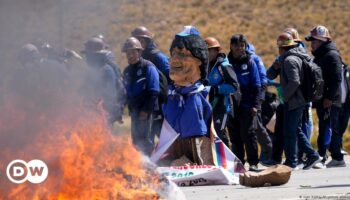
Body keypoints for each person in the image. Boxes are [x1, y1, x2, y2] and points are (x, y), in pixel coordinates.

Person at [161, 26, 213, 166]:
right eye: (173, 55)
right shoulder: (172, 95)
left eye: (182, 55)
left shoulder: (202, 94)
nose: (174, 60)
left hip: (199, 150)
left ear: (199, 60)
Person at [268, 32, 321, 170]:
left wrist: (285, 96)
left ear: (281, 47)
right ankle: (311, 155)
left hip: (294, 101)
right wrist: (275, 66)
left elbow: (294, 81)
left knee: (290, 132)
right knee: (295, 130)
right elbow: (269, 75)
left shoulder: (290, 60)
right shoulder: (290, 58)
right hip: (298, 100)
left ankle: (292, 161)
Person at [305, 25, 345, 168]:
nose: (312, 44)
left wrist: (329, 97)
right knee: (325, 127)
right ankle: (331, 156)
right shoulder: (321, 56)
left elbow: (336, 79)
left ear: (322, 41)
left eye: (314, 41)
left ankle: (328, 157)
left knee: (329, 128)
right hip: (324, 99)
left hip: (331, 100)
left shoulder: (332, 55)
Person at [228, 34, 261, 171]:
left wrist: (255, 105)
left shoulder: (250, 62)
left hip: (247, 105)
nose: (239, 48)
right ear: (231, 46)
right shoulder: (226, 62)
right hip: (231, 105)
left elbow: (257, 85)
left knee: (248, 134)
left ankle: (253, 163)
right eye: (236, 45)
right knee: (235, 136)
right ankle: (239, 163)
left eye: (242, 45)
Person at [131, 26, 170, 141]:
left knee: (163, 139)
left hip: (159, 106)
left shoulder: (157, 57)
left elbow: (171, 78)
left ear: (144, 41)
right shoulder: (138, 59)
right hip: (143, 105)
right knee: (145, 138)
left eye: (139, 41)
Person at [122, 37, 160, 156]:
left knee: (146, 140)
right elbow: (126, 92)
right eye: (128, 53)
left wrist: (146, 110)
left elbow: (154, 91)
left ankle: (150, 167)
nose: (130, 55)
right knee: (136, 141)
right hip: (134, 111)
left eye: (133, 52)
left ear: (139, 52)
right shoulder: (127, 71)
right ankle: (138, 166)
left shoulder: (148, 67)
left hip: (146, 111)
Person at [205, 37, 239, 147]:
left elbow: (234, 86)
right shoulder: (205, 66)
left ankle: (225, 162)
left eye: (208, 51)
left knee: (220, 133)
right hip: (209, 106)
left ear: (216, 50)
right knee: (209, 133)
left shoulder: (223, 66)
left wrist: (216, 89)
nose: (206, 54)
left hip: (223, 107)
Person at [81, 37, 123, 126]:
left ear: (96, 56)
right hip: (92, 111)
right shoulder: (92, 70)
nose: (87, 58)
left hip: (103, 114)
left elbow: (108, 95)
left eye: (88, 55)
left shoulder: (106, 70)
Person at [246, 43, 273, 163]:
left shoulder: (255, 59)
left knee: (257, 126)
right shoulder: (253, 58)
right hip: (250, 98)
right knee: (255, 126)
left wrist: (260, 98)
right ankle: (267, 152)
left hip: (255, 98)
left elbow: (263, 79)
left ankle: (269, 150)